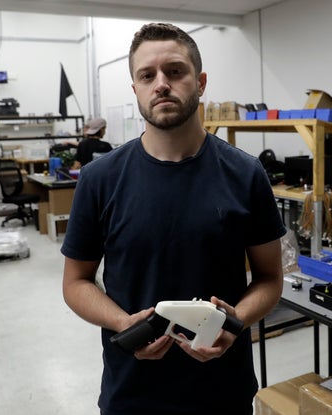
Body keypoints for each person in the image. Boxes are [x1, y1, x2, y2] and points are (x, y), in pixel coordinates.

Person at [60, 22, 287, 415]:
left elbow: (270, 278)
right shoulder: (100, 179)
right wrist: (121, 322)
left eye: (175, 71)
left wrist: (235, 322)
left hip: (223, 391)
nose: (161, 83)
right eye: (147, 75)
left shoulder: (246, 174)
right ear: (136, 89)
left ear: (199, 82)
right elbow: (76, 282)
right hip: (132, 391)